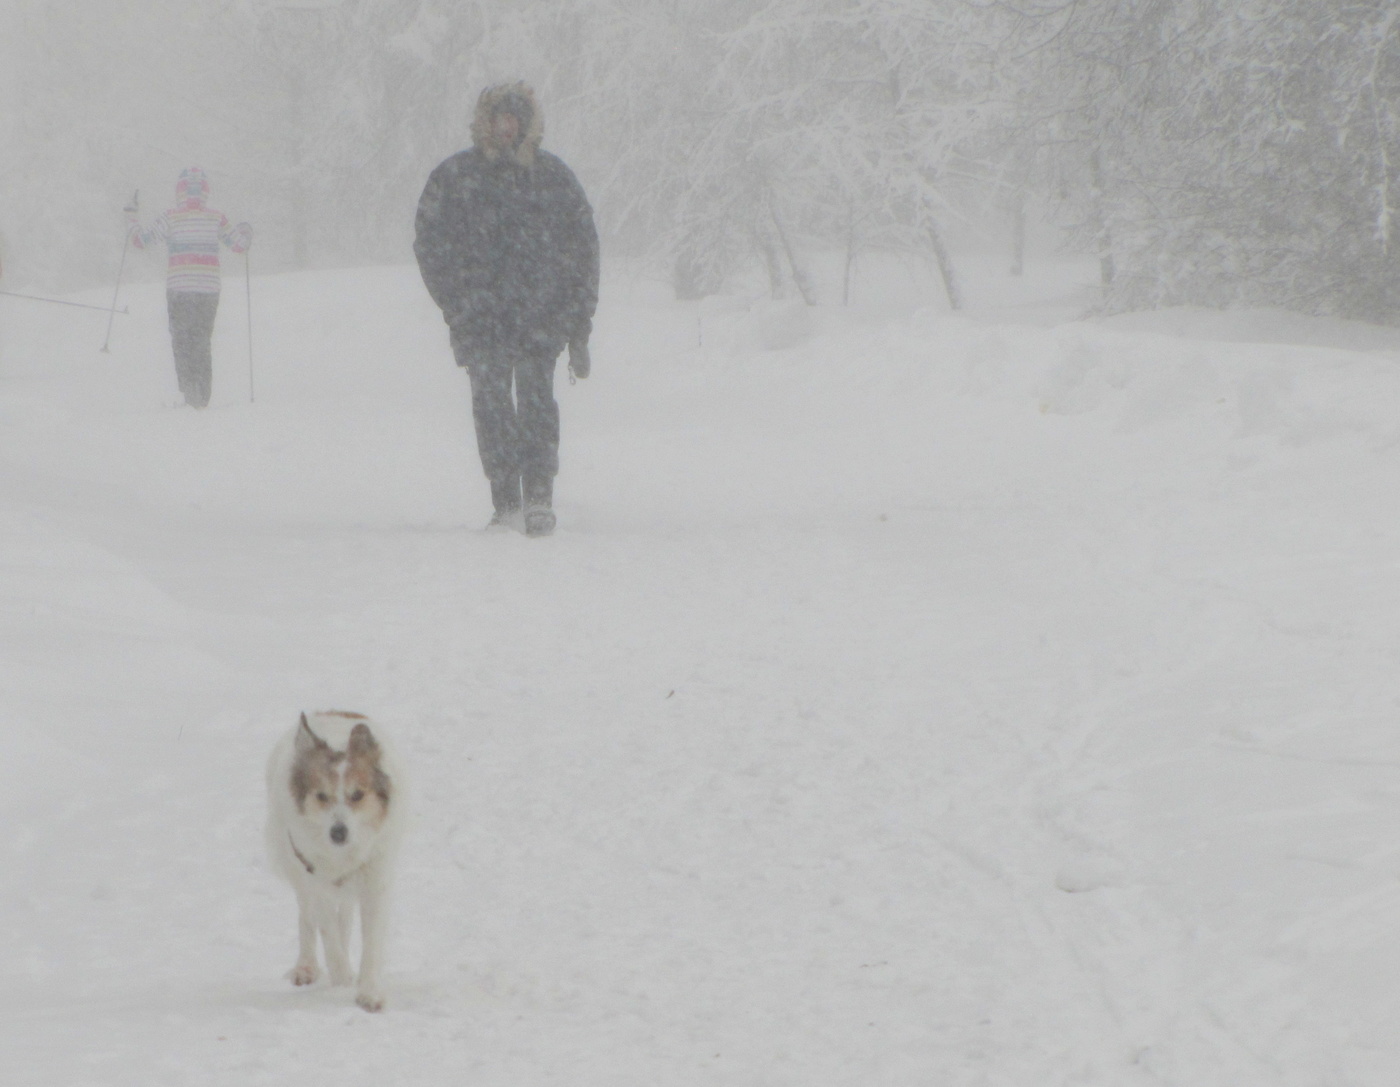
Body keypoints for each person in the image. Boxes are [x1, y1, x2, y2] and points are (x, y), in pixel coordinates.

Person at [413, 82, 599, 537]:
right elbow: (430, 244)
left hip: (541, 317)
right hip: (481, 320)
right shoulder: (455, 177)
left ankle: (539, 497)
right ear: (485, 122)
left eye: (514, 117)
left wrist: (578, 322)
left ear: (527, 123)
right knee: (492, 407)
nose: (506, 126)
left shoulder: (554, 178)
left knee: (537, 406)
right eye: (498, 117)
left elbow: (583, 249)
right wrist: (457, 304)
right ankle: (506, 501)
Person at [127, 168, 251, 408]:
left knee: (181, 340)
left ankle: (189, 391)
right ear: (205, 191)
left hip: (180, 289)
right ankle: (202, 396)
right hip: (208, 289)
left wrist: (131, 217)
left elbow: (140, 241)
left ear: (179, 191)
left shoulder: (171, 217)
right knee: (202, 340)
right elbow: (239, 246)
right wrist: (246, 232)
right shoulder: (216, 218)